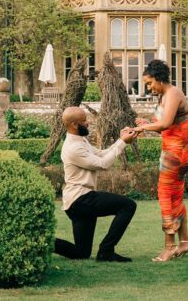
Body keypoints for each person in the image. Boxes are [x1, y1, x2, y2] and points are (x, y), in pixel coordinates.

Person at [53, 106, 139, 262]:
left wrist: (121, 140)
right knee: (127, 205)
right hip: (81, 199)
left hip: (77, 202)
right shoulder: (73, 148)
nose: (88, 123)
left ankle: (45, 242)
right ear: (74, 124)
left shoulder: (80, 140)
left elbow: (101, 154)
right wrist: (122, 143)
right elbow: (102, 164)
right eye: (84, 120)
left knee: (82, 252)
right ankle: (106, 251)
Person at [133, 59, 188, 262]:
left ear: (159, 78)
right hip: (172, 150)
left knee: (165, 195)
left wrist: (142, 128)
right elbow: (166, 127)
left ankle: (169, 247)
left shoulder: (173, 93)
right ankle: (184, 243)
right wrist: (148, 124)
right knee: (175, 196)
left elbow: (166, 123)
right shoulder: (164, 96)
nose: (148, 88)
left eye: (150, 83)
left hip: (178, 152)